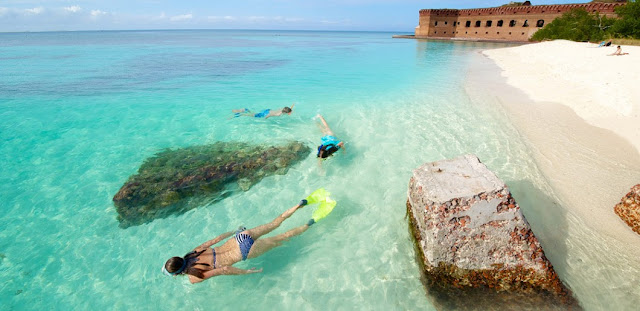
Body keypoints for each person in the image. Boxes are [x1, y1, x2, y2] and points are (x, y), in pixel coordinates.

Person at [162, 198, 319, 284]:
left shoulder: (194, 277)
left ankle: (309, 223)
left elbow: (224, 270)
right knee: (275, 223)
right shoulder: (194, 251)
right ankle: (298, 204)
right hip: (239, 237)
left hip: (244, 251)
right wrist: (234, 231)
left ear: (177, 274)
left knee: (282, 237)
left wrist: (247, 272)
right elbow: (216, 239)